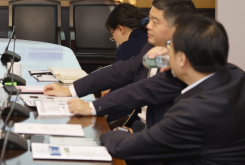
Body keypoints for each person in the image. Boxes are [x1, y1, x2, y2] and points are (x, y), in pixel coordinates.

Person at [101, 14, 245, 164]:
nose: (165, 52)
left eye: (169, 46)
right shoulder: (236, 74)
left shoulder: (193, 112)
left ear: (183, 59)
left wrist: (111, 133)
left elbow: (125, 147)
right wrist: (176, 63)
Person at [44, 0, 195, 129]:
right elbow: (121, 71)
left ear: (177, 28)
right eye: (149, 19)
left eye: (155, 22)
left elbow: (143, 90)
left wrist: (92, 107)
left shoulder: (185, 63)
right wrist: (70, 90)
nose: (148, 26)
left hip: (158, 135)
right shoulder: (152, 45)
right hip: (139, 127)